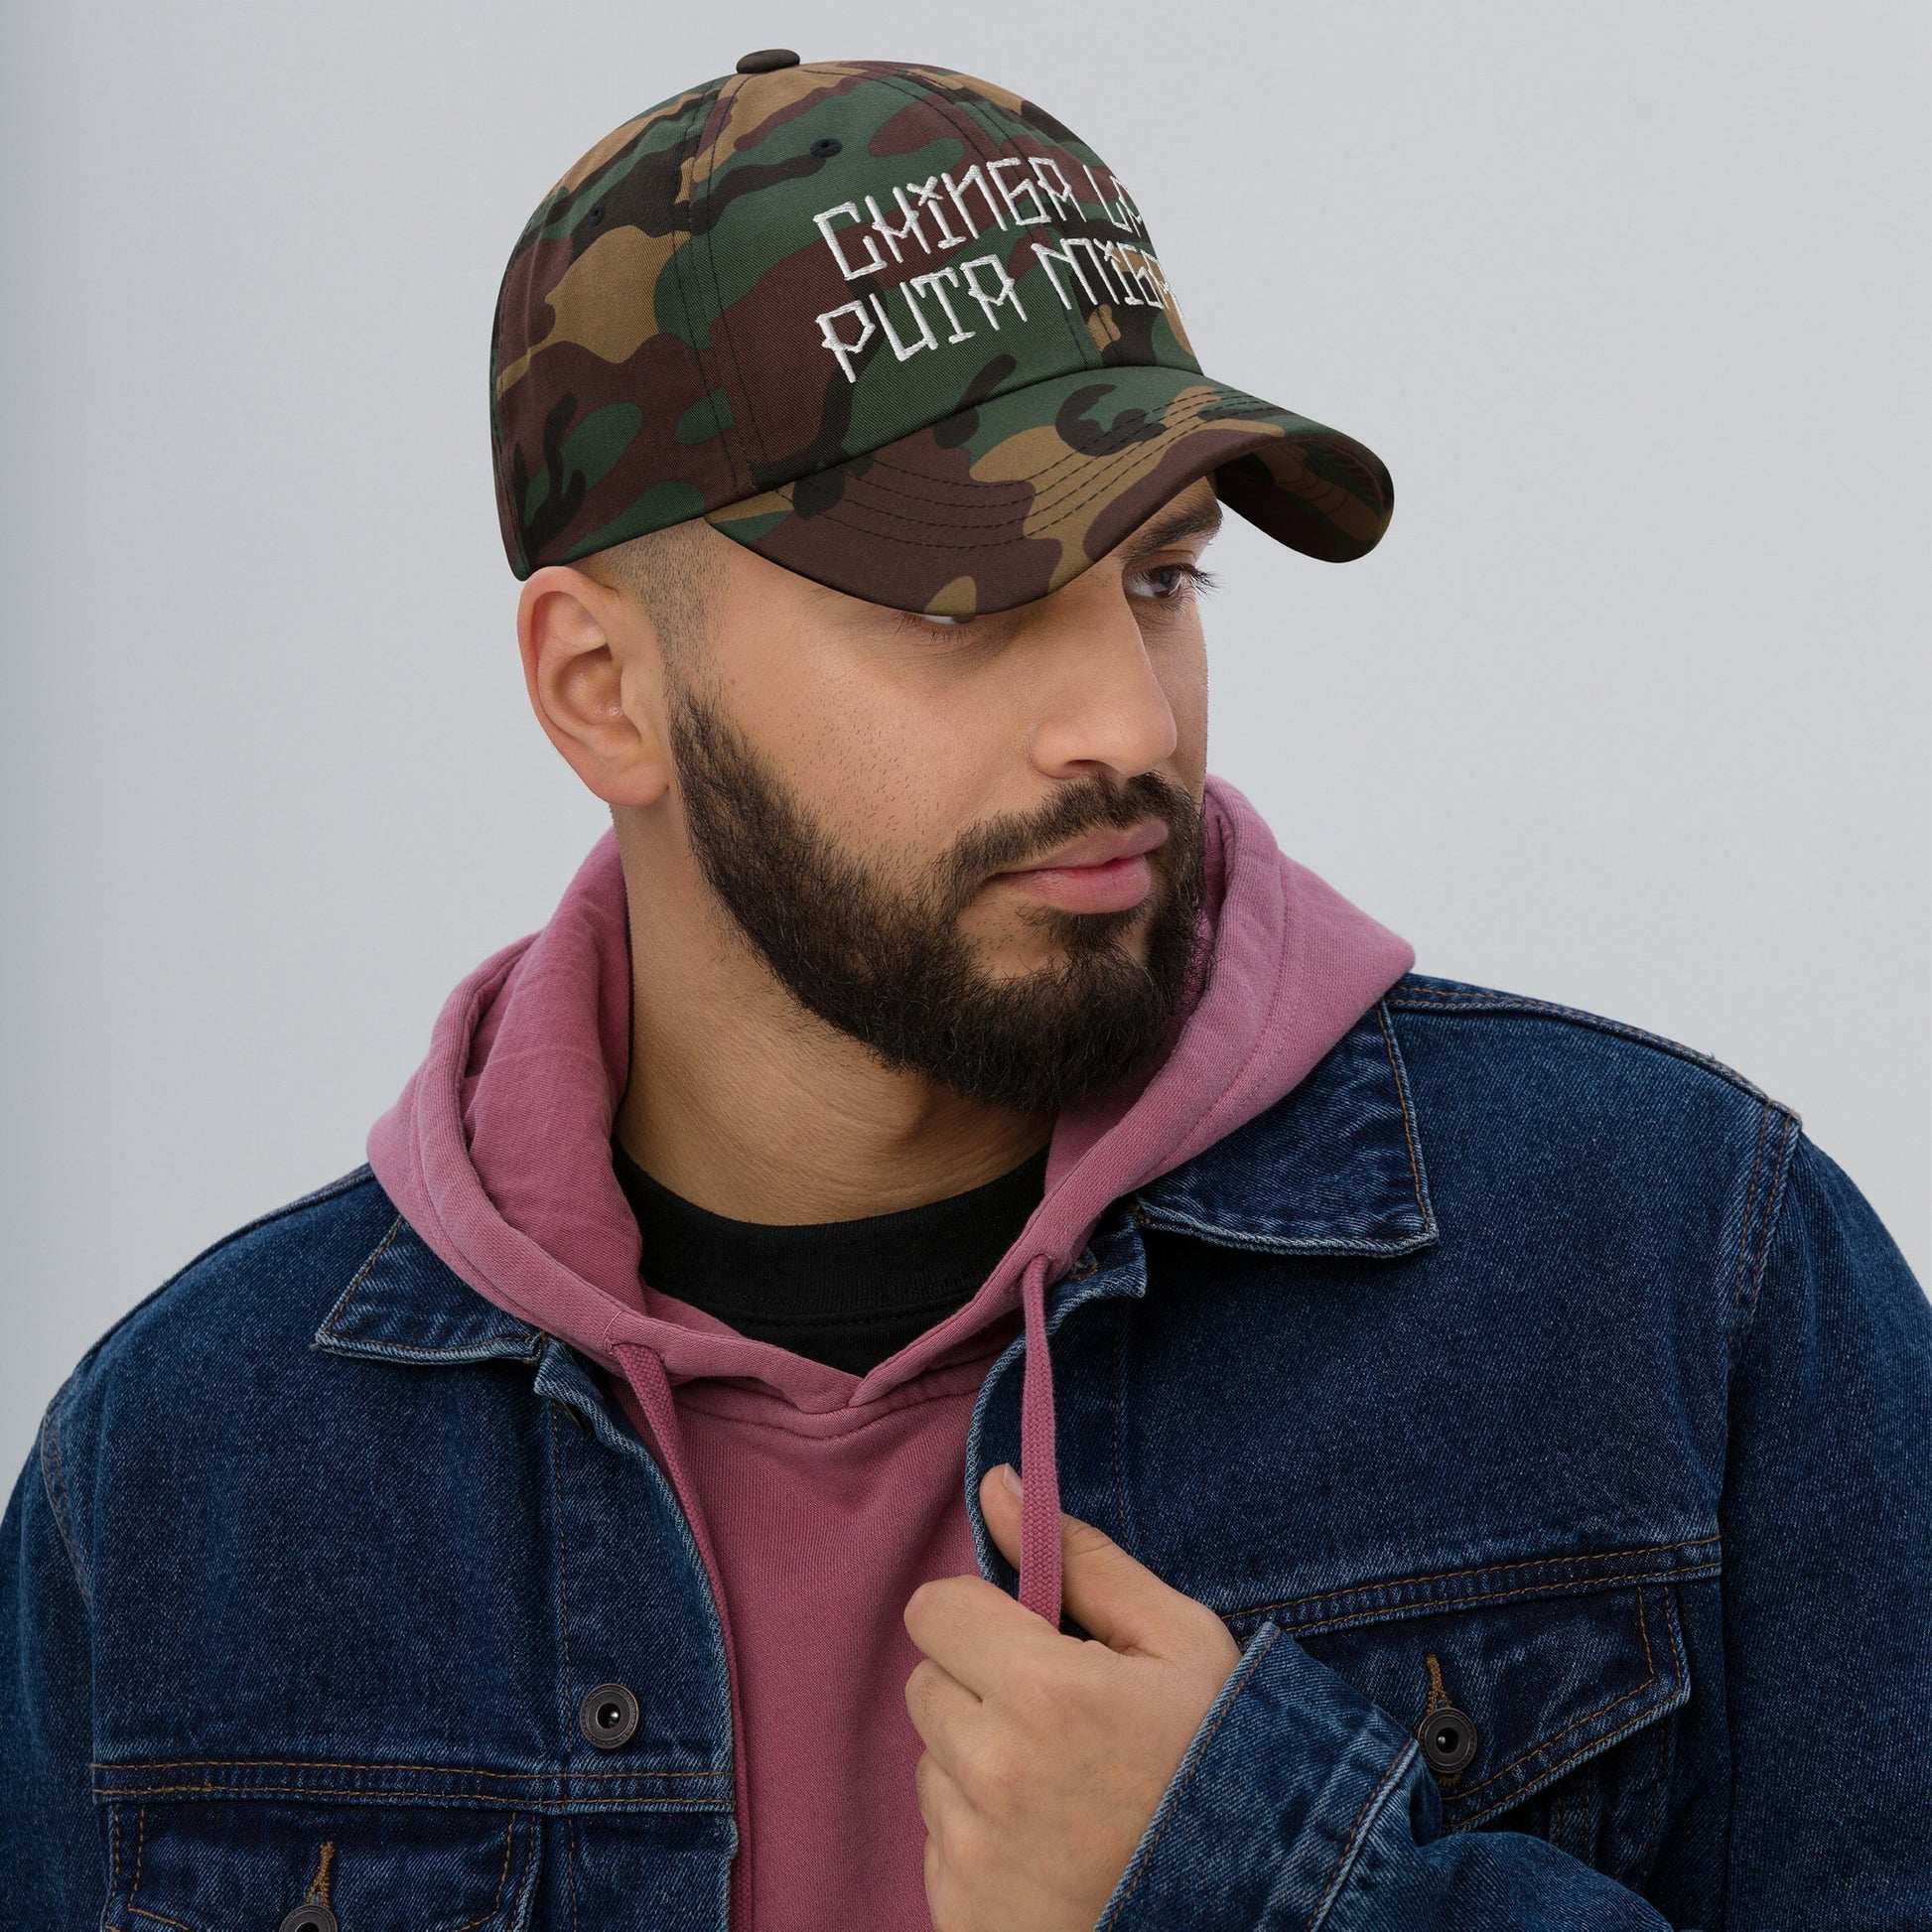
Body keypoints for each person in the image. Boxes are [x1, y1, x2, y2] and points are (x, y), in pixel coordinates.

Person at [2, 50, 1925, 1932]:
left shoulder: (1678, 1279)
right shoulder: (180, 1482)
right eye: (966, 608)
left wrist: (1278, 1887)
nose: (1122, 720)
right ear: (603, 688)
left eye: (1162, 577)